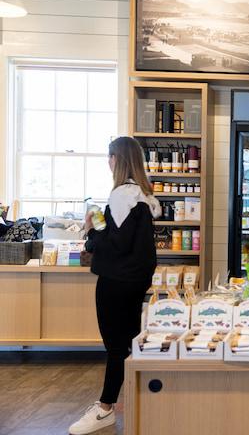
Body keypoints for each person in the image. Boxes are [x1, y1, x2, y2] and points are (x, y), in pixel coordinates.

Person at [69, 137, 160, 435]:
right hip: (135, 281)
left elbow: (116, 244)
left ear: (117, 159)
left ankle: (105, 409)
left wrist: (92, 231)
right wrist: (101, 228)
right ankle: (136, 399)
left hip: (116, 281)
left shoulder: (121, 195)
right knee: (129, 343)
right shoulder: (143, 195)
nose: (107, 162)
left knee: (115, 347)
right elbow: (129, 241)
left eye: (109, 157)